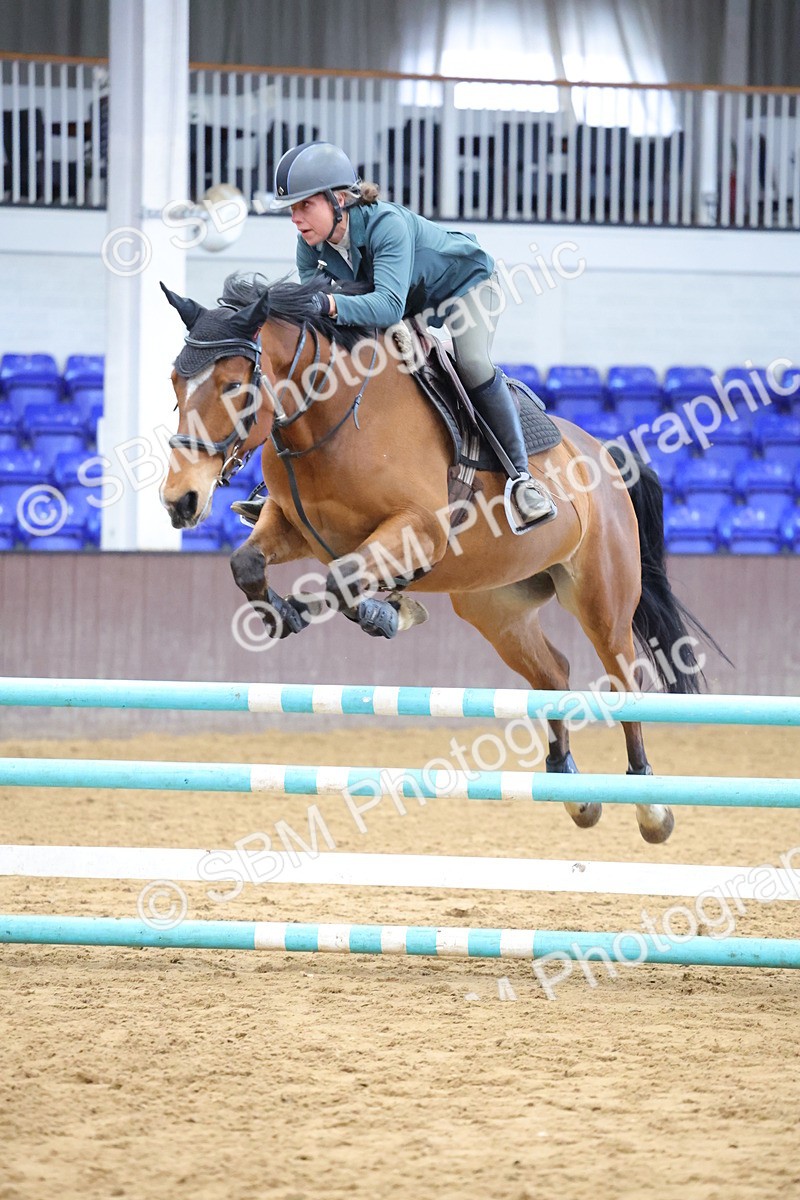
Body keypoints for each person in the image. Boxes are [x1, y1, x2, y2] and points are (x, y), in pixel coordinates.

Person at [264, 141, 556, 531]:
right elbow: (321, 324)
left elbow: (382, 306)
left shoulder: (387, 225)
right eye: (291, 209)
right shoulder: (309, 245)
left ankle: (522, 480)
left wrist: (329, 305)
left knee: (471, 362)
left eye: (305, 206)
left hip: (464, 288)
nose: (296, 219)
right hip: (408, 301)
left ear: (338, 199)